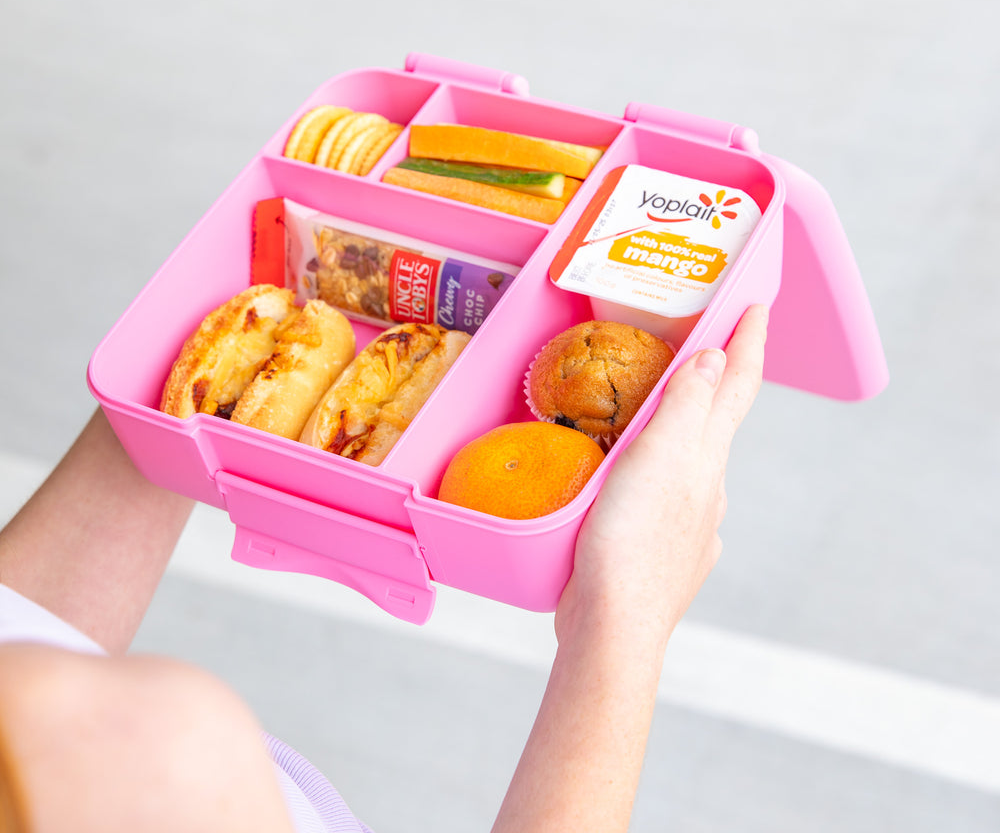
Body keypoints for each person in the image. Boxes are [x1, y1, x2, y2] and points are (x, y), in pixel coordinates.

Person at [0, 304, 768, 833]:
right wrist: (626, 619)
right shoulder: (157, 751)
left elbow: (25, 634)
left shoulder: (83, 731)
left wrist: (174, 419)